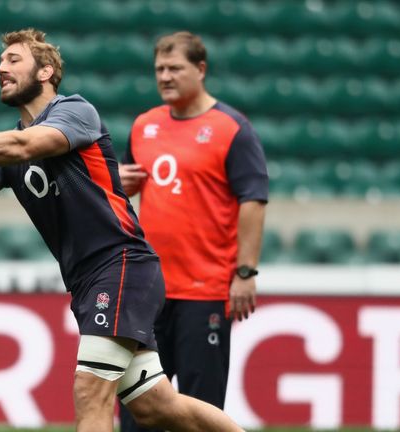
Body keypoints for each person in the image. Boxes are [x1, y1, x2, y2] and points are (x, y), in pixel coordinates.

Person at [0, 28, 244, 432]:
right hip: (89, 279)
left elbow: (26, 146)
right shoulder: (8, 147)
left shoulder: (75, 111)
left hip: (120, 265)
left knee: (90, 390)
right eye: (0, 61)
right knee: (156, 405)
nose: (1, 67)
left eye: (14, 60)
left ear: (46, 71)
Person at [117, 31, 268, 432]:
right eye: (159, 69)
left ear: (200, 70)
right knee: (137, 408)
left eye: (175, 68)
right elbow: (120, 192)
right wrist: (120, 182)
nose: (165, 77)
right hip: (149, 292)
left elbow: (253, 199)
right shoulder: (144, 126)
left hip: (205, 291)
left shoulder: (231, 128)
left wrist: (245, 272)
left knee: (200, 412)